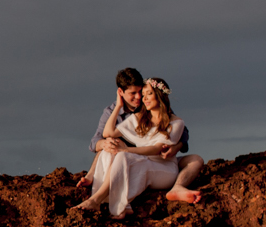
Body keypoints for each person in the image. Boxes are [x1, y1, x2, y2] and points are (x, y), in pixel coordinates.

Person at [77, 67, 204, 204]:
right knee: (110, 143)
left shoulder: (151, 107)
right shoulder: (111, 112)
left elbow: (181, 130)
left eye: (141, 92)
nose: (139, 98)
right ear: (120, 92)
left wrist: (176, 146)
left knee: (195, 159)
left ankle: (178, 187)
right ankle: (92, 179)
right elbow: (96, 140)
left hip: (159, 157)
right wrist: (106, 142)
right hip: (130, 156)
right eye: (133, 93)